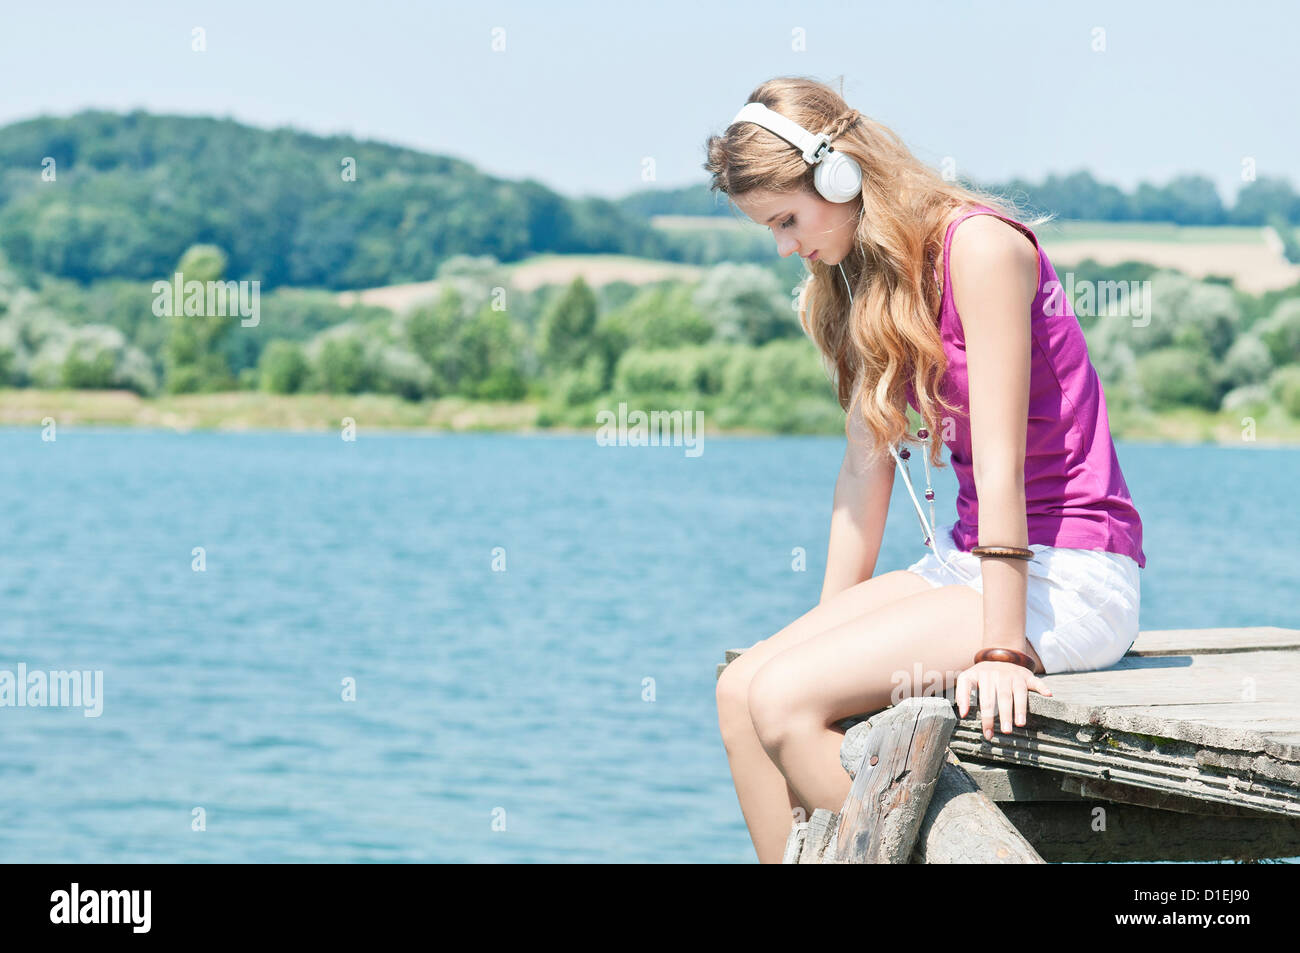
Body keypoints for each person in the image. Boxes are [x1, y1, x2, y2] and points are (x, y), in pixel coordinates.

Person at [704, 76, 1146, 863]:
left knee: (784, 701)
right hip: (965, 565)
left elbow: (1004, 460)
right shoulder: (866, 283)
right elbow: (861, 473)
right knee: (744, 692)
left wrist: (1002, 646)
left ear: (837, 176)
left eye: (786, 219)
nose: (783, 245)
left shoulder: (981, 248)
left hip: (1064, 573)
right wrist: (825, 639)